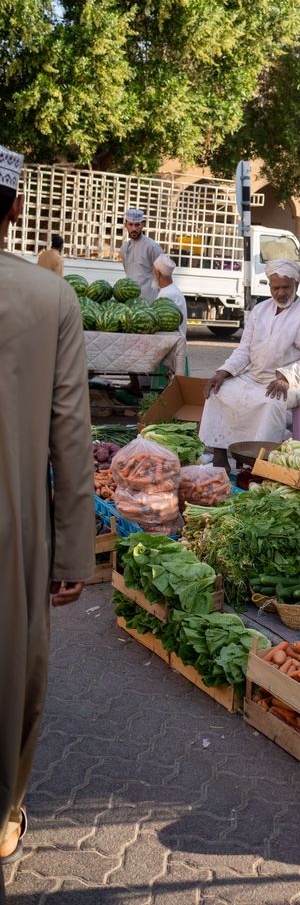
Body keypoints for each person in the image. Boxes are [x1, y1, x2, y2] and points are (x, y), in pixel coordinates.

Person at [0, 146, 95, 876]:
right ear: (17, 210)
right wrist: (73, 554)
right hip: (15, 527)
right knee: (11, 670)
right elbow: (69, 433)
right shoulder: (50, 300)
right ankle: (5, 812)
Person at [199, 259, 300, 470]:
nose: (281, 292)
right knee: (219, 392)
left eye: (286, 287)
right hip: (257, 376)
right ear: (269, 286)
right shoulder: (260, 310)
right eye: (276, 287)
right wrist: (223, 371)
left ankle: (260, 462)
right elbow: (244, 350)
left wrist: (286, 378)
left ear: (296, 285)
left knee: (270, 402)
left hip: (295, 380)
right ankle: (219, 456)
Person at [152, 254, 188, 375]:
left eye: (153, 271)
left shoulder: (169, 294)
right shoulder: (169, 290)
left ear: (157, 273)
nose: (152, 274)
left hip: (172, 348)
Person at [119, 208, 162, 301]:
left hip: (149, 301)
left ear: (142, 225)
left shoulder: (152, 247)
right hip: (131, 301)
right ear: (125, 225)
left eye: (137, 224)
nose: (134, 228)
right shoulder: (124, 248)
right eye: (130, 224)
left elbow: (162, 275)